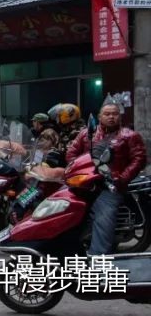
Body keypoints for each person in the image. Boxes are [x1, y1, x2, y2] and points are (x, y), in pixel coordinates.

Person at [66, 102, 148, 255]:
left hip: (110, 186)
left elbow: (139, 159)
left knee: (104, 215)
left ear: (119, 116)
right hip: (84, 184)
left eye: (114, 114)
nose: (111, 117)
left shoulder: (129, 135)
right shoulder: (86, 134)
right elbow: (71, 153)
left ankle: (98, 257)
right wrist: (77, 171)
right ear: (99, 117)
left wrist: (122, 178)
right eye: (107, 114)